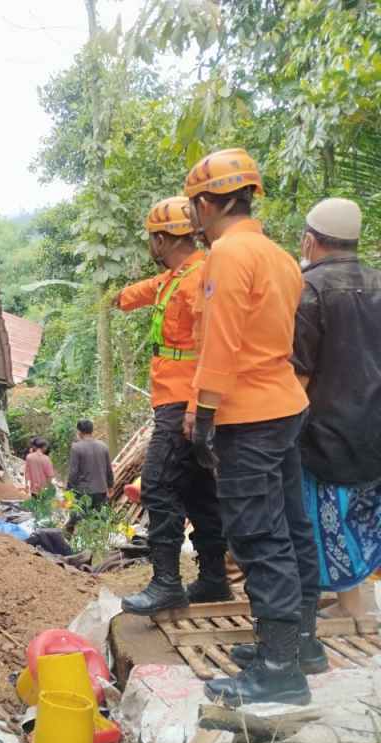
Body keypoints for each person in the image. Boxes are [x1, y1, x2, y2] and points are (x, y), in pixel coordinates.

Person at [183, 148, 323, 706]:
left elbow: (221, 339)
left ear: (206, 202)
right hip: (284, 403)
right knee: (289, 527)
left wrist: (205, 413)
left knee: (259, 536)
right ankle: (290, 644)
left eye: (195, 205)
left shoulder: (227, 254)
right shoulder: (279, 255)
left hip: (248, 414)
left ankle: (280, 670)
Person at [113, 196, 230, 615]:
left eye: (152, 239)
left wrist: (196, 409)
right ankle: (215, 579)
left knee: (159, 485)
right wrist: (118, 298)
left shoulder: (198, 280)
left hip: (184, 402)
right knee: (200, 490)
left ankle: (166, 583)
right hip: (178, 398)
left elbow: (212, 346)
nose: (150, 245)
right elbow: (146, 292)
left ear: (162, 239)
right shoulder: (177, 276)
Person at [289, 198, 381, 618]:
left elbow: (300, 376)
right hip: (373, 426)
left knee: (332, 521)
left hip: (327, 431)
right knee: (365, 516)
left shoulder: (309, 291)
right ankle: (356, 600)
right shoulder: (378, 282)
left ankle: (351, 607)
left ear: (310, 241)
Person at [66, 420, 113, 529]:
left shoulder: (76, 447)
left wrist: (69, 489)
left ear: (79, 432)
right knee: (99, 520)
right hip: (101, 490)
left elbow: (73, 472)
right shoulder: (103, 446)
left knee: (79, 520)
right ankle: (99, 542)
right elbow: (108, 469)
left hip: (84, 492)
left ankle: (73, 540)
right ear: (92, 430)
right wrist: (110, 486)